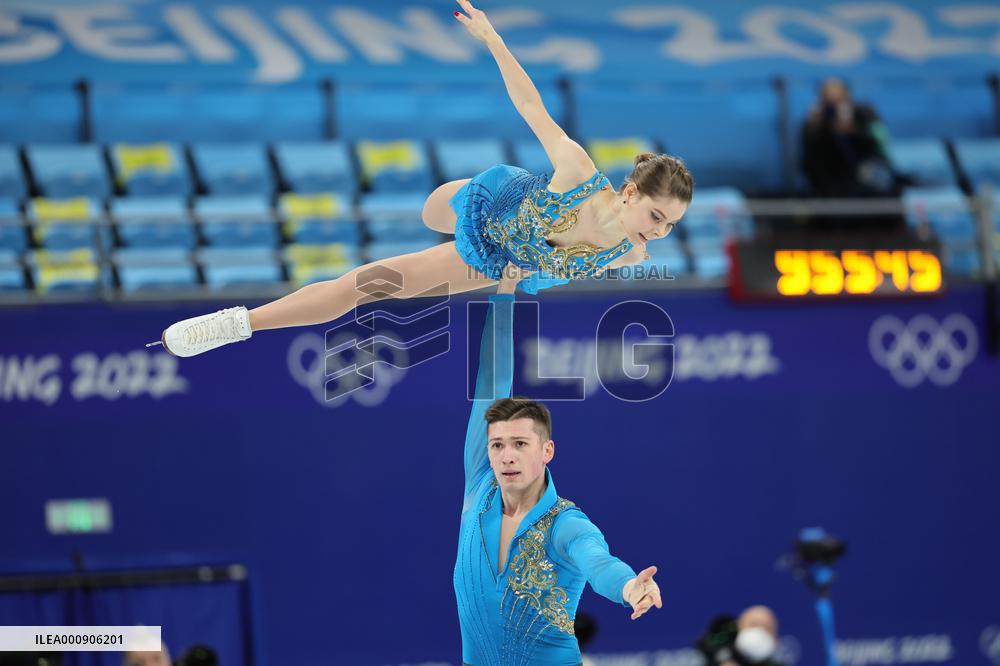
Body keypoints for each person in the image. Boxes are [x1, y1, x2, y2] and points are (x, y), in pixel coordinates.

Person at [155, 0, 692, 358]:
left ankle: (236, 324)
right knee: (431, 212)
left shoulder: (629, 254)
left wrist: (508, 280)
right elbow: (530, 104)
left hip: (499, 257)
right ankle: (454, 207)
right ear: (628, 192)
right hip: (493, 202)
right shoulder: (577, 169)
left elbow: (543, 269)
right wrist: (493, 40)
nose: (660, 232)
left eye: (670, 225)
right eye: (656, 216)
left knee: (367, 287)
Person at [455, 269, 662, 665]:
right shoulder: (480, 484)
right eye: (497, 445)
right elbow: (491, 382)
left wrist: (629, 587)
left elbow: (598, 563)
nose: (506, 455)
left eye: (520, 444)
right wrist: (504, 292)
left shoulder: (566, 524)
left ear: (547, 450)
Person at [800, 77, 897, 198]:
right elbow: (810, 152)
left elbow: (878, 141)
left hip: (867, 180)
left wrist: (852, 130)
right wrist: (814, 123)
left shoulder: (864, 112)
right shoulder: (817, 119)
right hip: (830, 184)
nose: (834, 100)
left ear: (846, 94)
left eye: (837, 95)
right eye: (827, 95)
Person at [696, 605, 783, 666]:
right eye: (753, 624)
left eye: (767, 628)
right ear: (738, 627)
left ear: (776, 640)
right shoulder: (711, 654)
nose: (759, 632)